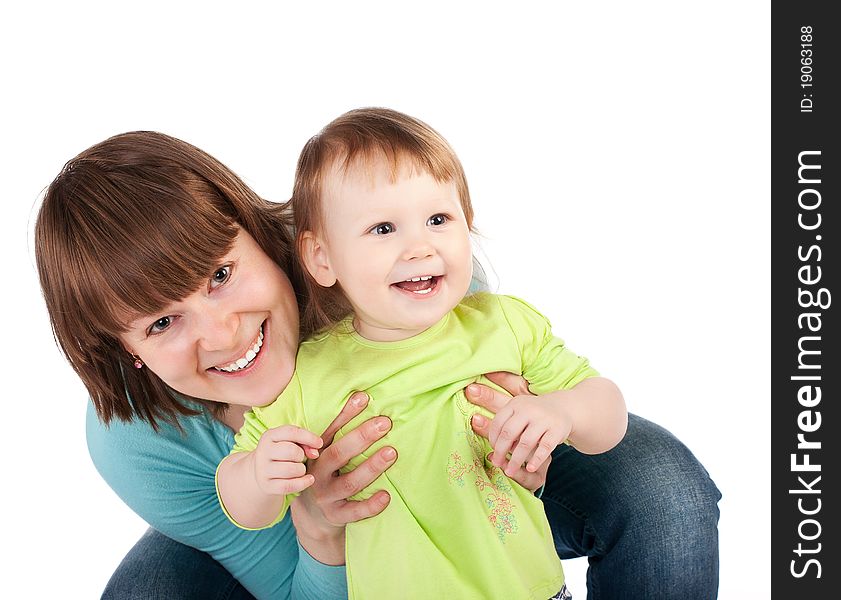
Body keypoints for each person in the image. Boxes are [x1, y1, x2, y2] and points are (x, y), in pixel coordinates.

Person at [34, 129, 721, 600]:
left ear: (267, 236)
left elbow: (561, 411)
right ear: (123, 351)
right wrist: (319, 527)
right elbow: (277, 570)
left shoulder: (391, 273)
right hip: (293, 545)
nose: (221, 334)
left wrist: (525, 448)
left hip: (462, 481)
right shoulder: (135, 442)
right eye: (160, 322)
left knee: (660, 487)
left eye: (219, 274)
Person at [216, 108, 627, 600]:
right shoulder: (312, 372)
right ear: (322, 259)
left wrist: (562, 410)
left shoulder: (503, 325)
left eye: (438, 219)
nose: (419, 246)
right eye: (383, 229)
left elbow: (608, 415)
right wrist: (261, 474)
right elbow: (243, 504)